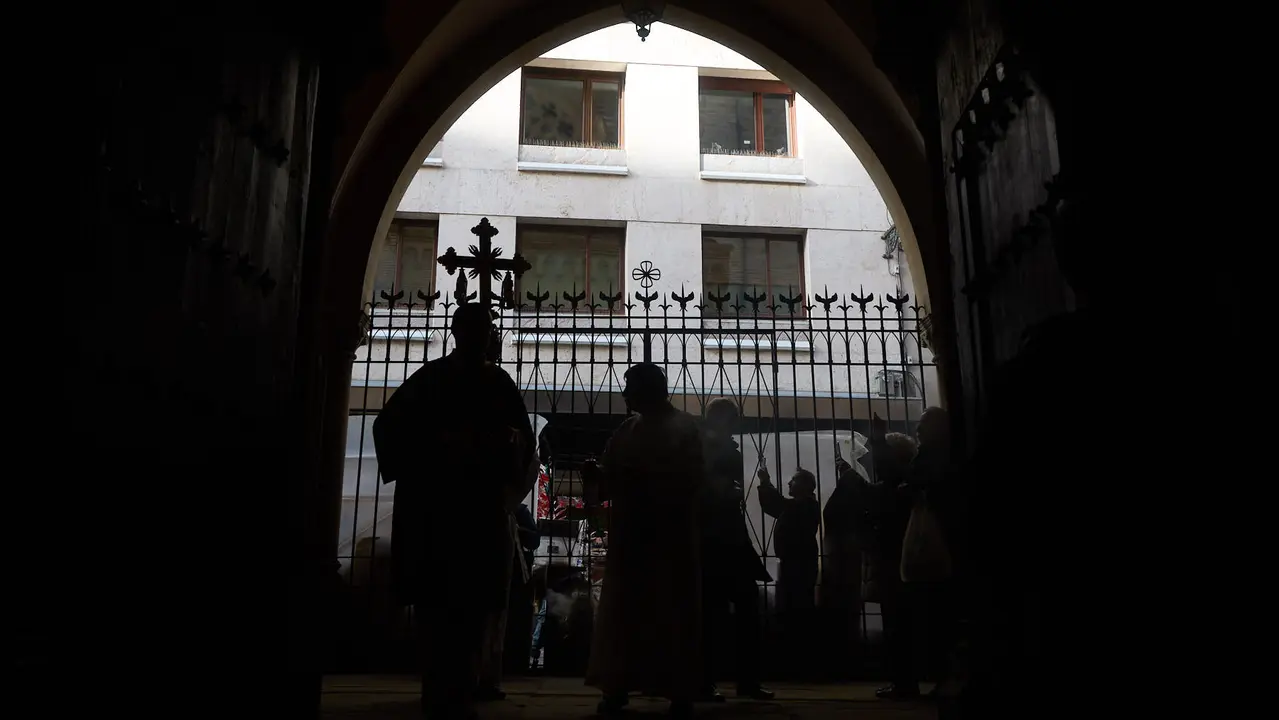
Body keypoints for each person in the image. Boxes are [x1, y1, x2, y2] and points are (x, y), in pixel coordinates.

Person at [372, 303, 535, 720]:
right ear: (458, 332)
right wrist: (442, 446)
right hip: (439, 509)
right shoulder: (435, 378)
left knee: (471, 607)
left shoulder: (496, 382)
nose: (483, 337)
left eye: (486, 329)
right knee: (438, 604)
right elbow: (390, 427)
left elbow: (523, 441)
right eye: (475, 329)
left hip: (474, 509)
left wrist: (501, 447)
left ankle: (460, 687)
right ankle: (439, 688)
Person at [582, 363, 705, 718]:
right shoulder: (628, 429)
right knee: (632, 611)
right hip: (636, 536)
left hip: (666, 535)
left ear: (649, 389)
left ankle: (675, 687)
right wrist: (598, 476)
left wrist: (629, 479)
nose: (625, 394)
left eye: (630, 386)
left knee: (666, 610)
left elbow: (691, 479)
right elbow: (608, 482)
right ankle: (620, 685)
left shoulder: (681, 428)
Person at [698, 398, 774, 702]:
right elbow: (710, 486)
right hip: (722, 539)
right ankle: (738, 681)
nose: (738, 421)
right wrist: (726, 492)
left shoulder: (710, 445)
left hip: (720, 539)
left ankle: (714, 681)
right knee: (732, 613)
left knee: (716, 614)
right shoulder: (711, 447)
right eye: (733, 416)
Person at [756, 466, 821, 614]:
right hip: (796, 563)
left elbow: (778, 504)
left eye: (794, 480)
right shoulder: (803, 505)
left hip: (798, 565)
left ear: (805, 486)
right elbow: (779, 505)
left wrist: (765, 482)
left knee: (795, 606)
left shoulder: (806, 506)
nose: (789, 483)